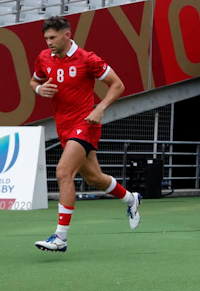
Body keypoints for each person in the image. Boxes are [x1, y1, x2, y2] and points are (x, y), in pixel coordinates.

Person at [31, 16, 141, 253]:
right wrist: (40, 89)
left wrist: (100, 108)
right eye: (46, 38)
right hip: (64, 127)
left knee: (63, 171)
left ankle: (60, 237)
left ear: (67, 35)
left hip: (86, 124)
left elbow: (118, 85)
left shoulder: (88, 59)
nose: (48, 42)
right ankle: (131, 199)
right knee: (95, 178)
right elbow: (34, 81)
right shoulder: (44, 58)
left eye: (52, 37)